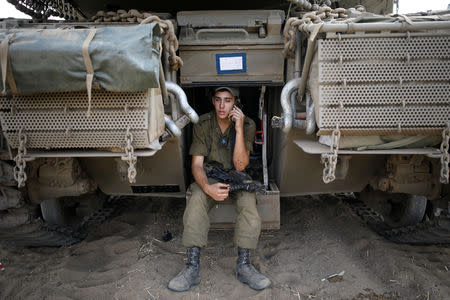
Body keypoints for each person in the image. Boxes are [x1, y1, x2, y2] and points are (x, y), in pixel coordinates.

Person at [168, 87, 271, 292]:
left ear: (236, 103)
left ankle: (244, 266)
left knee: (248, 204)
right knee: (196, 199)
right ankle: (192, 268)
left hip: (237, 176)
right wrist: (207, 187)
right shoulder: (204, 124)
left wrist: (239, 128)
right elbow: (197, 164)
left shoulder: (247, 124)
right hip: (212, 174)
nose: (222, 106)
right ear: (213, 101)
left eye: (227, 101)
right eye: (218, 100)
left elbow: (241, 165)